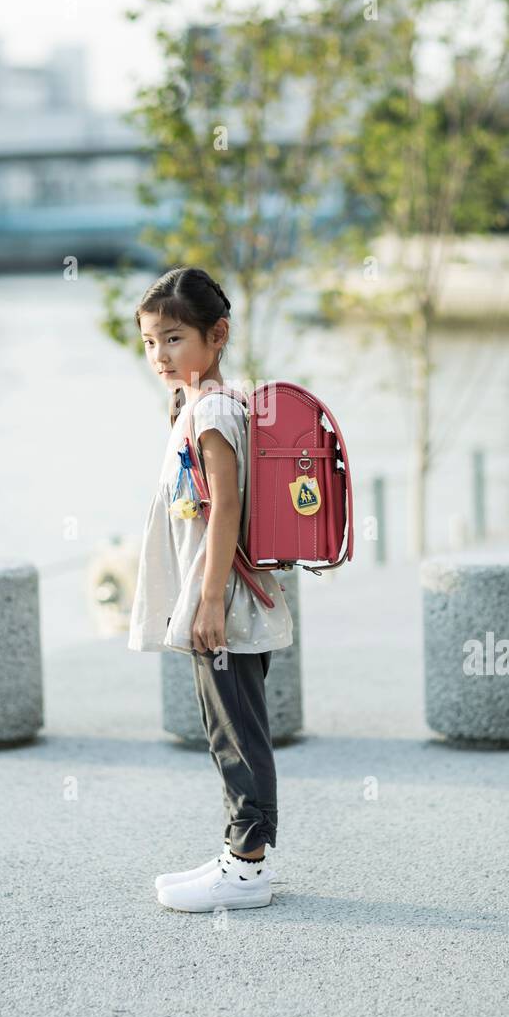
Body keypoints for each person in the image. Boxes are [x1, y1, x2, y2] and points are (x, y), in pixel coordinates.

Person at [128, 266, 294, 912]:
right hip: (220, 600)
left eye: (173, 338)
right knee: (224, 725)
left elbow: (226, 506)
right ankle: (237, 853)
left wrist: (208, 601)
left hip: (225, 604)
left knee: (237, 731)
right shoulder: (200, 404)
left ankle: (248, 867)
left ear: (216, 334)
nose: (159, 355)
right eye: (148, 343)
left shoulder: (215, 410)